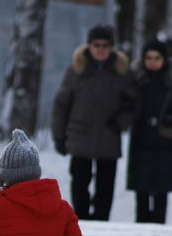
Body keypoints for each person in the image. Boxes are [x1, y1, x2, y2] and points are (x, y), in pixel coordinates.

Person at [51, 24, 135, 221]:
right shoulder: (76, 71)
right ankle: (81, 222)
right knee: (79, 183)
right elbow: (61, 105)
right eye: (96, 44)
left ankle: (101, 222)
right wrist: (59, 137)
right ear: (89, 46)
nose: (100, 49)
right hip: (80, 138)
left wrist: (120, 123)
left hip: (108, 137)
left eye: (105, 45)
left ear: (112, 47)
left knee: (106, 186)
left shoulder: (121, 72)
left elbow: (133, 104)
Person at [127, 39, 172, 224]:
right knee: (141, 186)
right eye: (148, 57)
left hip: (166, 139)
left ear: (164, 59)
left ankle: (158, 225)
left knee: (161, 187)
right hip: (141, 137)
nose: (152, 61)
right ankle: (140, 225)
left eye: (157, 57)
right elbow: (126, 103)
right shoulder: (135, 79)